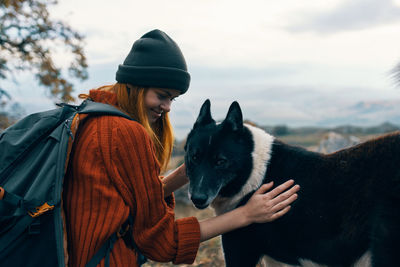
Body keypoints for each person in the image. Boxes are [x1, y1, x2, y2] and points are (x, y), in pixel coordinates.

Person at [63, 29, 300, 267]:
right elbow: (163, 242)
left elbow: (127, 200)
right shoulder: (124, 133)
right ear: (136, 85)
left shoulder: (89, 117)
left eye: (173, 99)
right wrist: (246, 214)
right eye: (162, 95)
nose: (167, 107)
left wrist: (192, 169)